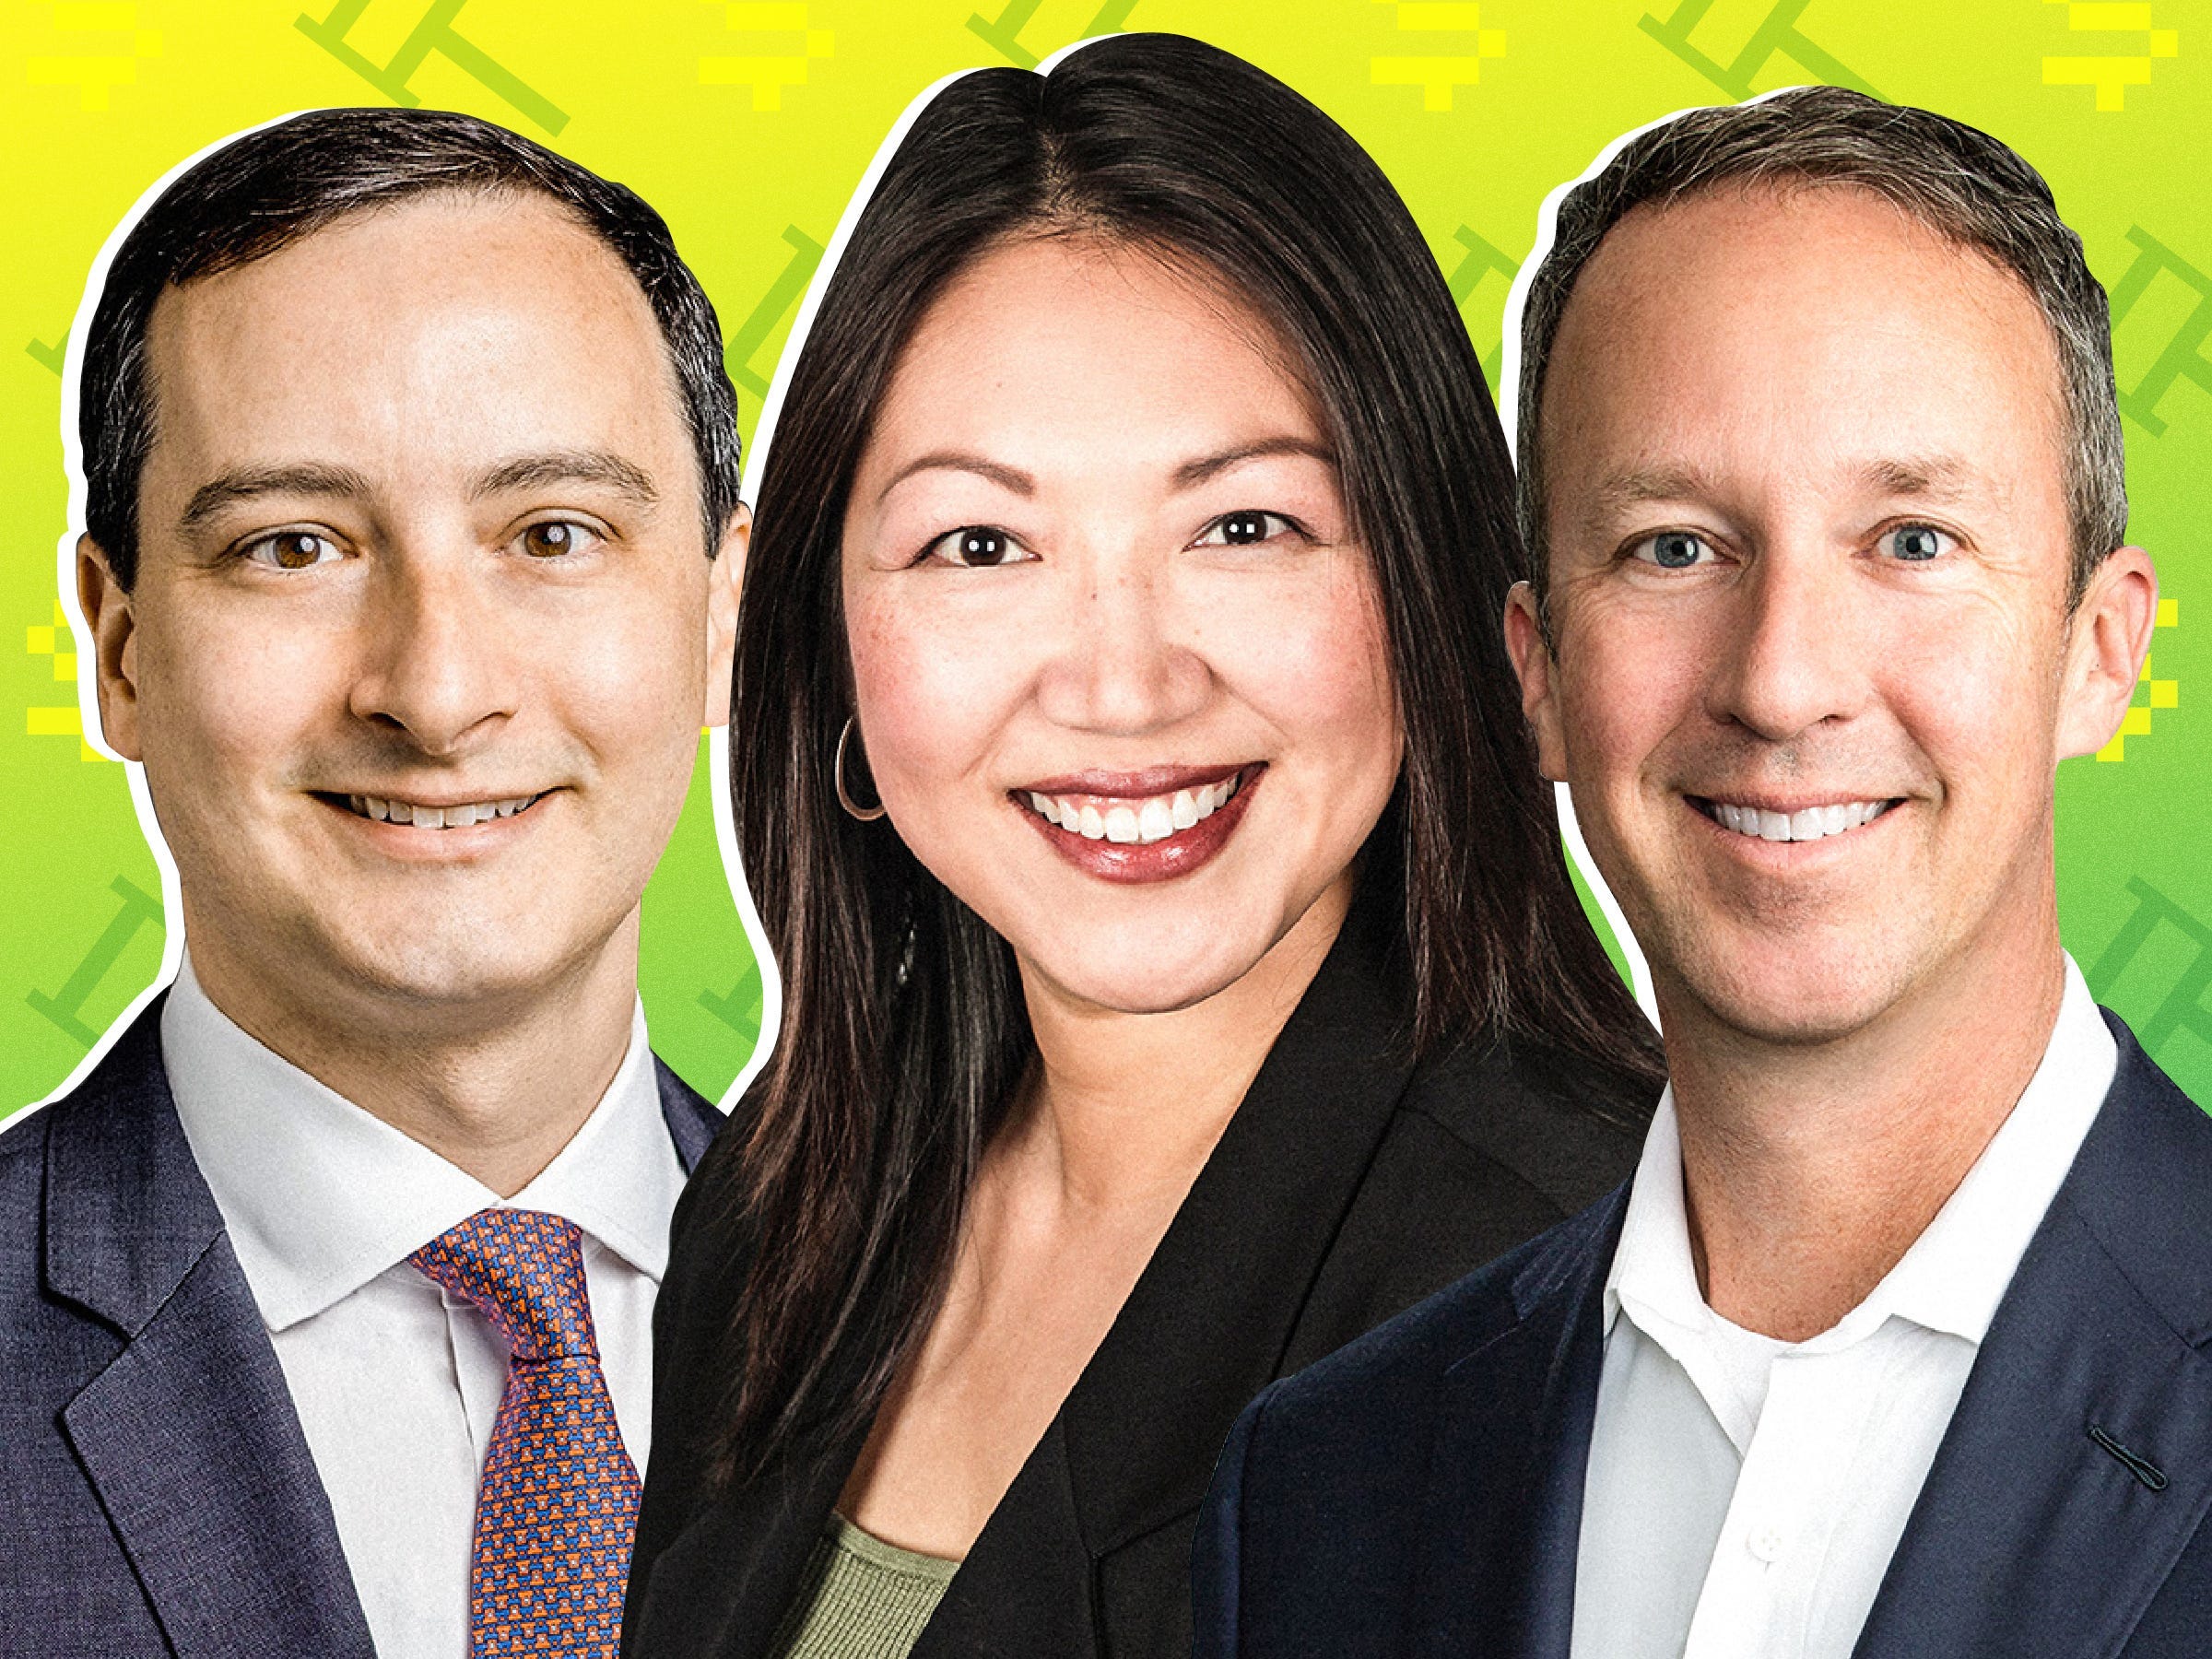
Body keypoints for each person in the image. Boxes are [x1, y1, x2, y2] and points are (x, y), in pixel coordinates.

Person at [625, 32, 1664, 1659]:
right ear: (829, 652)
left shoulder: (1607, 1283)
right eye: (981, 543)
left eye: (1244, 527)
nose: (1123, 684)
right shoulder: (780, 1209)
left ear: (1439, 585)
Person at [1194, 83, 2211, 1658]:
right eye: (1675, 546)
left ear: (2100, 650)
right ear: (1535, 670)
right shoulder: (1321, 1486)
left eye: (1913, 540)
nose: (1783, 680)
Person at [0, 109, 746, 1659]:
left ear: (721, 613)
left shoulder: (995, 1340)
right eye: (293, 548)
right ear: (118, 645)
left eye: (552, 532)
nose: (437, 689)